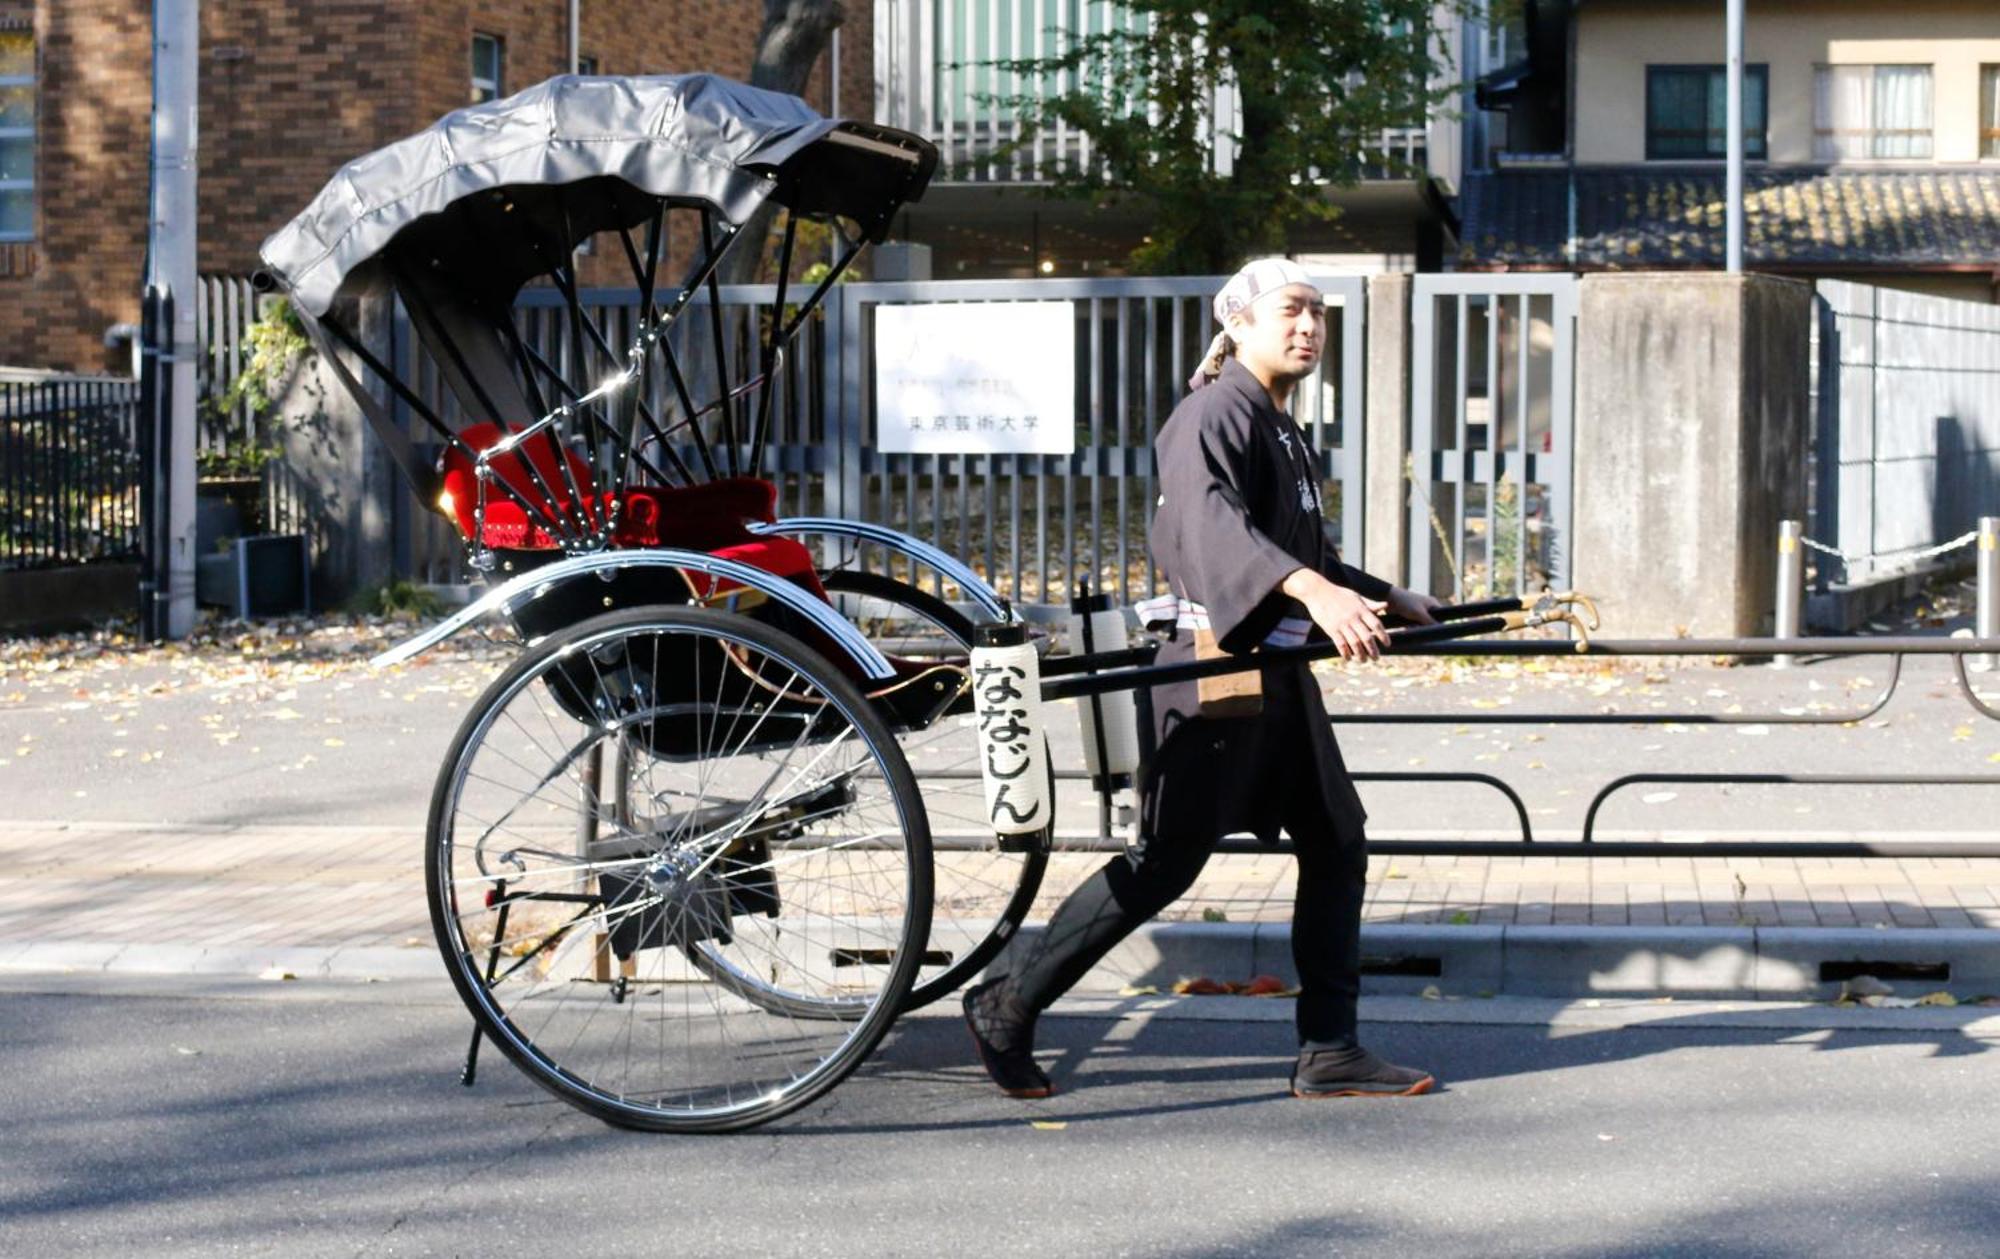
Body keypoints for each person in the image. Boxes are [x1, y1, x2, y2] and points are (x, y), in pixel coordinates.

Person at [964, 258, 1443, 1101]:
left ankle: (1331, 1047)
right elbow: (1212, 529)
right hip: (1210, 667)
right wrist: (1314, 590)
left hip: (1275, 667)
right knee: (1165, 861)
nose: (1309, 327)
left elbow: (1299, 555)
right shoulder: (1210, 414)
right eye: (1292, 311)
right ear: (1241, 325)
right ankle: (1007, 999)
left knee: (1337, 840)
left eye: (1319, 315)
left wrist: (1380, 593)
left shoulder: (1282, 427)